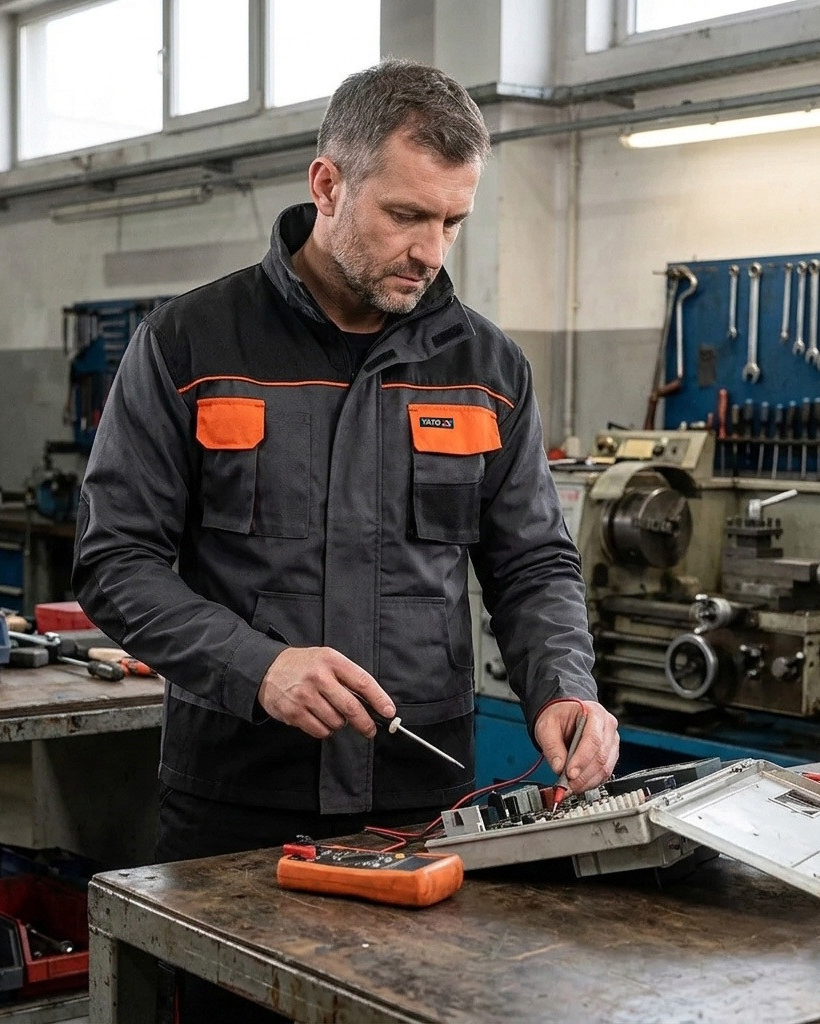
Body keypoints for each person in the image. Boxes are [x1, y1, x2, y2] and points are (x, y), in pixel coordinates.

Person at [73, 58, 619, 1021]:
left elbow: (532, 561)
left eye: (452, 222)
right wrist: (258, 667)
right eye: (406, 215)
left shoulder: (489, 367)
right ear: (327, 185)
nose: (430, 250)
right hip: (237, 804)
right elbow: (116, 562)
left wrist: (565, 685)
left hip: (421, 803)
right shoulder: (190, 344)